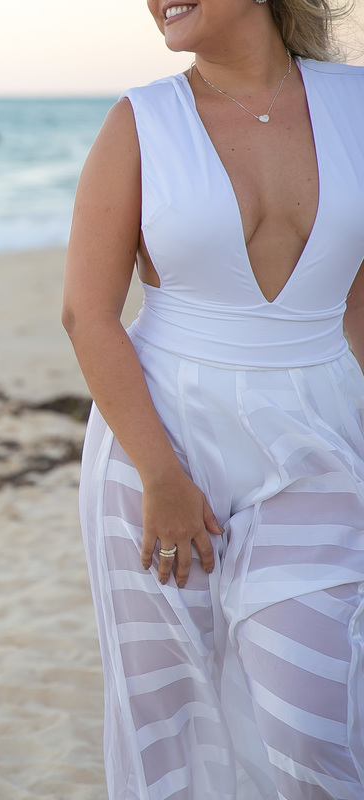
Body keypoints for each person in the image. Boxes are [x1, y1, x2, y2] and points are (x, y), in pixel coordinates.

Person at [63, 0, 364, 796]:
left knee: (313, 719)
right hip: (157, 448)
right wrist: (160, 475)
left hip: (318, 441)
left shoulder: (356, 106)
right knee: (167, 716)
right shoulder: (142, 122)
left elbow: (360, 304)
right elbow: (87, 314)